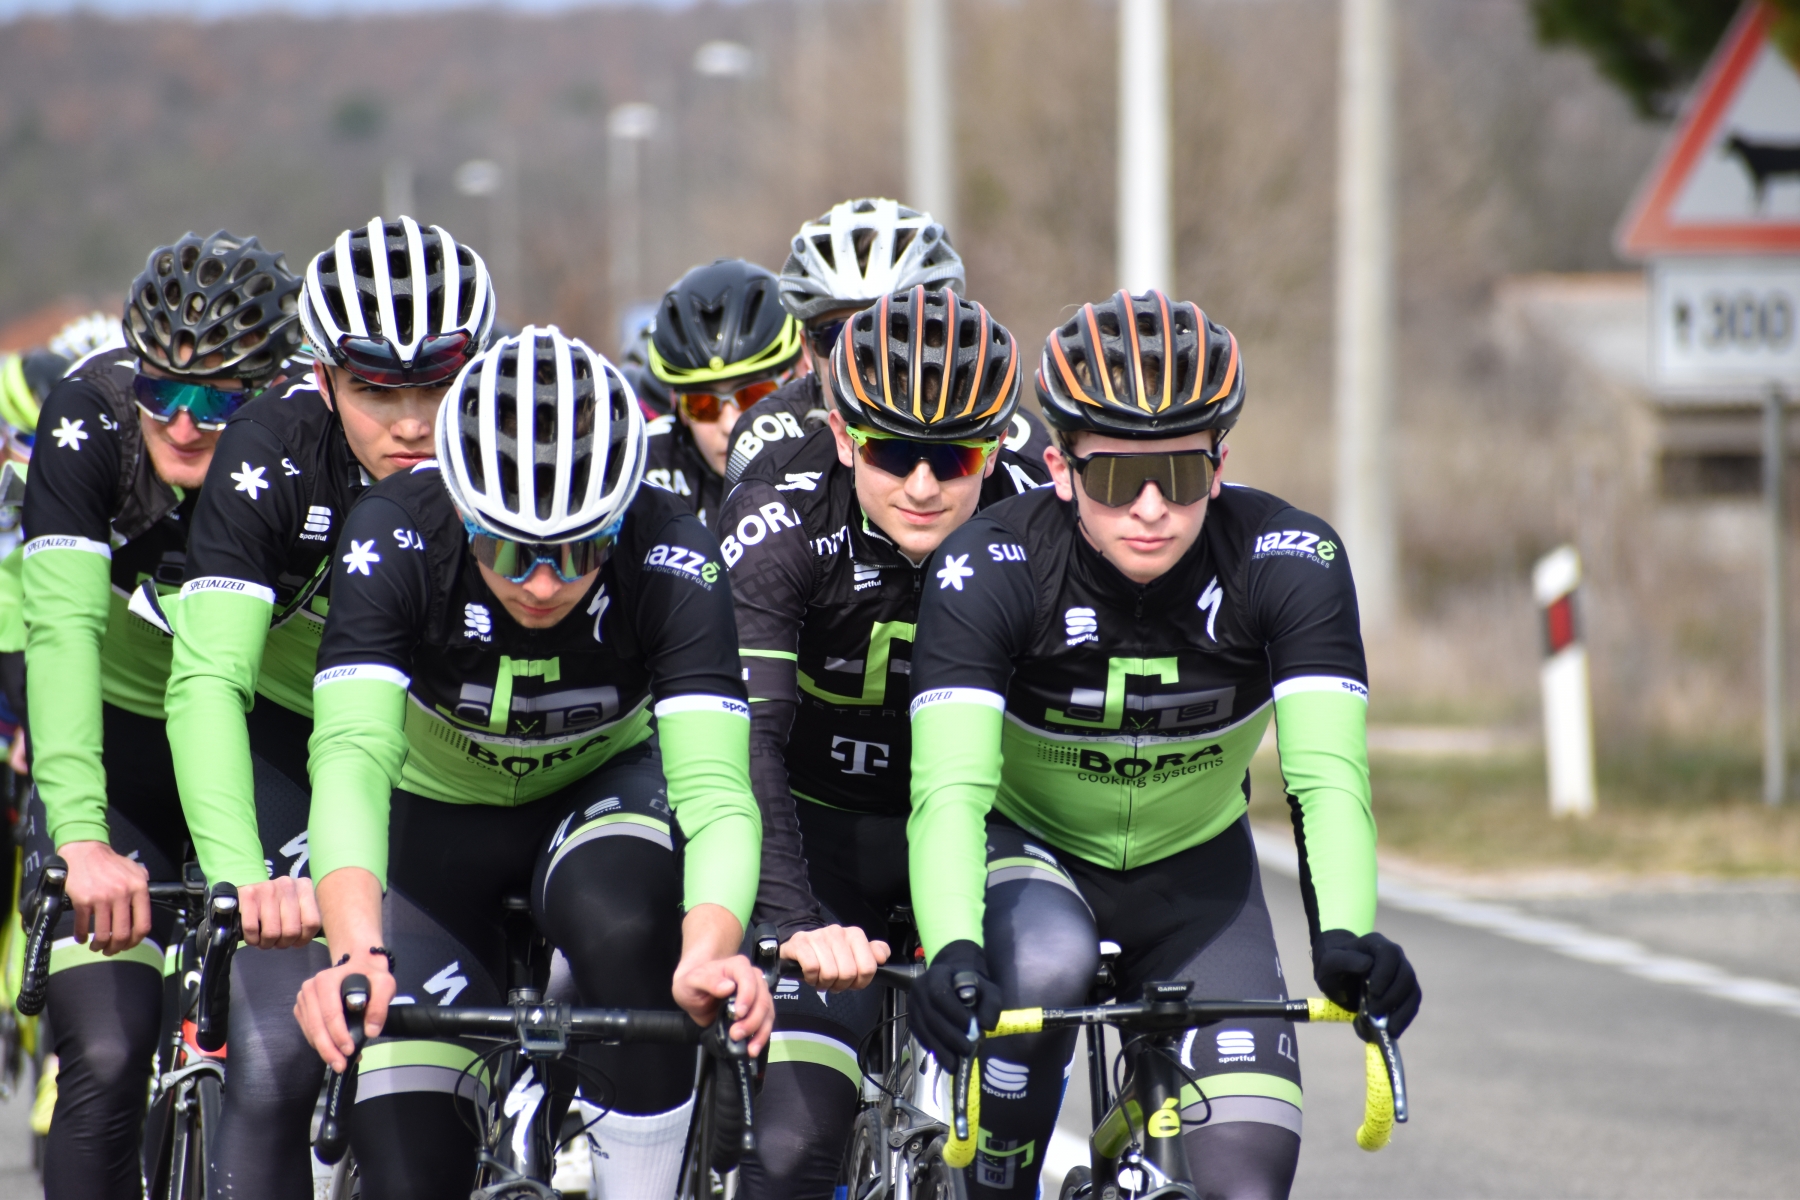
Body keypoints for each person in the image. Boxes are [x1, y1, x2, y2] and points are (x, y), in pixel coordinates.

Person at [904, 290, 1422, 1199]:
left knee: (1248, 1180)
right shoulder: (987, 566)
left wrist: (1347, 935)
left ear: (1218, 468)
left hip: (1197, 878)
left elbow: (1327, 779)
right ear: (1061, 470)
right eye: (1113, 478)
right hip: (1031, 859)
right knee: (1047, 969)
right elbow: (948, 790)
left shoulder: (1289, 559)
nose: (1150, 507)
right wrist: (952, 946)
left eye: (1179, 474)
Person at [290, 325, 772, 1199]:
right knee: (409, 1172)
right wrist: (354, 952)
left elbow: (715, 791)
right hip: (432, 824)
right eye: (510, 551)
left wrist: (710, 950)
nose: (543, 583)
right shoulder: (396, 530)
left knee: (632, 927)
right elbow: (353, 756)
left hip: (596, 804)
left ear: (620, 521)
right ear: (463, 512)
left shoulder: (671, 547)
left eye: (580, 551)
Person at [162, 216, 495, 1198]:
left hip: (434, 752)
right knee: (275, 1057)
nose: (412, 421)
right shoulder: (273, 449)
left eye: (438, 383)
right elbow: (206, 682)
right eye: (376, 389)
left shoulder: (524, 439)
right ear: (322, 380)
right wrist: (240, 882)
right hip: (287, 739)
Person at [723, 286, 1049, 1198]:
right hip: (815, 839)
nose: (921, 484)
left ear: (993, 450)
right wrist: (790, 921)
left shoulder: (1036, 529)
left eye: (953, 458)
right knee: (790, 1146)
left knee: (998, 1160)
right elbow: (753, 745)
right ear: (840, 437)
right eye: (891, 451)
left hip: (983, 831)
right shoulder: (776, 527)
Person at [20, 230, 304, 1199]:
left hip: (266, 742)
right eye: (162, 389)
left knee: (291, 1052)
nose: (183, 425)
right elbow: (57, 634)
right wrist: (83, 838)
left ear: (271, 392)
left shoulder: (310, 439)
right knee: (102, 1054)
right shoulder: (88, 420)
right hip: (122, 747)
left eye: (220, 399)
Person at [723, 197, 989, 485]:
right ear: (808, 348)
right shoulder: (763, 440)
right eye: (838, 334)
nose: (863, 357)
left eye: (896, 331)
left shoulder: (1001, 428)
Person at [642, 258, 802, 526]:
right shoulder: (645, 467)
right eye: (702, 404)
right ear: (678, 408)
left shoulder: (834, 450)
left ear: (792, 385)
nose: (730, 425)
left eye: (753, 396)